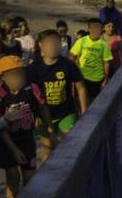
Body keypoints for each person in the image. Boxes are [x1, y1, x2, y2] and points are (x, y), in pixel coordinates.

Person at [0, 56, 51, 198]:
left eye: (21, 74)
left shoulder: (31, 88)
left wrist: (48, 126)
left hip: (27, 140)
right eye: (13, 75)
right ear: (3, 77)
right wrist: (13, 149)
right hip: (6, 144)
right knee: (12, 176)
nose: (19, 78)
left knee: (30, 177)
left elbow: (42, 105)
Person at [27, 29, 87, 157]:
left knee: (69, 146)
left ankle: (70, 175)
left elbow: (80, 87)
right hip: (44, 115)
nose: (53, 46)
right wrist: (33, 114)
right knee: (48, 148)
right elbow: (29, 94)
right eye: (49, 43)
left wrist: (84, 111)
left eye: (56, 43)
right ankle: (45, 176)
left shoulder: (68, 65)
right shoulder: (33, 68)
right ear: (41, 45)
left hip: (66, 111)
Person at [71, 17, 114, 102]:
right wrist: (75, 68)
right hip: (82, 77)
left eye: (98, 28)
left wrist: (105, 79)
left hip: (97, 79)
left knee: (94, 102)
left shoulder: (103, 44)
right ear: (89, 29)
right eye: (94, 28)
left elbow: (106, 63)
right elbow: (72, 55)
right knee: (79, 100)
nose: (96, 30)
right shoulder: (82, 41)